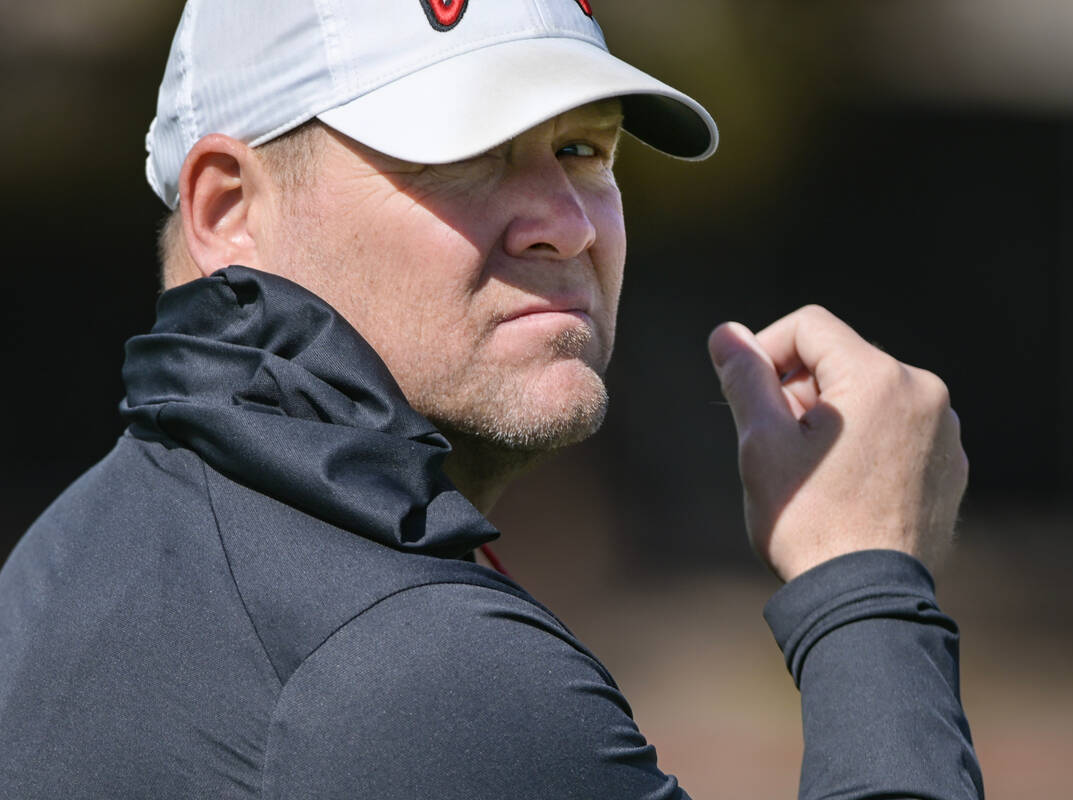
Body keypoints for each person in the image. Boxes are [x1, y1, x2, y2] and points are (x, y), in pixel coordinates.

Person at [0, 1, 984, 798]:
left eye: (585, 149)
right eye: (466, 150)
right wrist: (867, 588)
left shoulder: (63, 555)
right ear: (228, 209)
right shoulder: (416, 671)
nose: (565, 222)